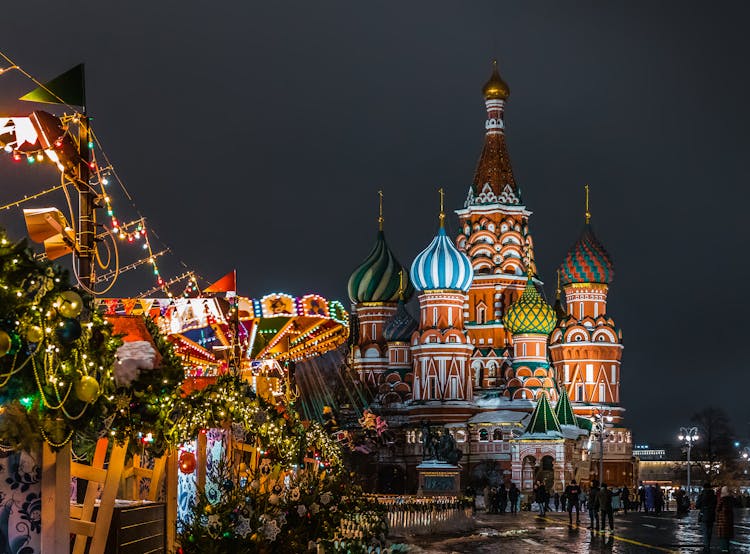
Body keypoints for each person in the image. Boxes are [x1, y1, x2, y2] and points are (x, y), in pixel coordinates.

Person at [696, 482, 717, 550]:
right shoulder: (714, 496)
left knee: (705, 531)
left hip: (704, 514)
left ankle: (706, 546)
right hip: (711, 514)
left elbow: (697, 505)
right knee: (710, 530)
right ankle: (708, 544)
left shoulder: (701, 495)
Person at [716, 486, 734, 553]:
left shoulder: (722, 500)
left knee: (723, 540)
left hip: (722, 523)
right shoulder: (730, 500)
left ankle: (724, 551)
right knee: (727, 539)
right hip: (729, 523)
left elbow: (718, 509)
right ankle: (726, 550)